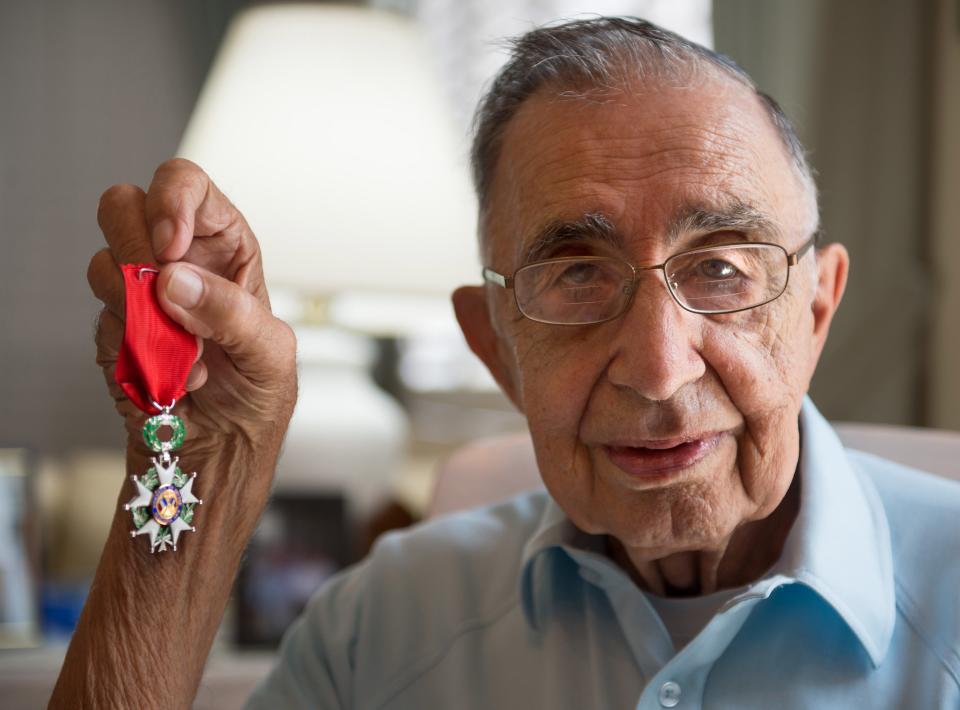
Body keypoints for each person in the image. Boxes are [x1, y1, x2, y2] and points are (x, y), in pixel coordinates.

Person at [52, 17, 960, 709]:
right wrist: (202, 458)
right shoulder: (382, 629)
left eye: (721, 269)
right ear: (494, 347)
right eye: (576, 276)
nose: (658, 368)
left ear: (816, 308)